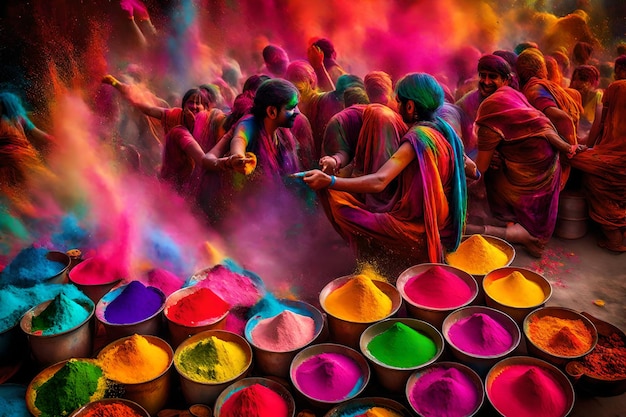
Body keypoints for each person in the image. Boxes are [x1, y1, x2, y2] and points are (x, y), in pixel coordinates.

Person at [301, 73, 467, 275]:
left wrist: (330, 181)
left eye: (398, 102)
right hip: (444, 221)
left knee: (342, 204)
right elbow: (472, 170)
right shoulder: (445, 130)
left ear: (410, 107)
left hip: (417, 227)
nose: (395, 107)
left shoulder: (418, 137)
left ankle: (381, 256)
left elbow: (380, 181)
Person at [468, 56, 583, 257]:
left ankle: (512, 229)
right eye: (483, 76)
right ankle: (514, 224)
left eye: (492, 76)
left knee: (476, 180)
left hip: (531, 181)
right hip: (548, 174)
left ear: (505, 79)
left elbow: (480, 169)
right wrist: (566, 148)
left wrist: (453, 174)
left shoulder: (490, 108)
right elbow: (543, 127)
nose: (486, 81)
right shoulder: (514, 94)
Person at [568, 55, 626, 252]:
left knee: (575, 161)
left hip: (615, 159)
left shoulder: (615, 89)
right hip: (613, 154)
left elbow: (599, 125)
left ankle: (615, 240)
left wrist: (580, 147)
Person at [516, 48, 583, 189]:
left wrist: (569, 157)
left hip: (552, 164)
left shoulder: (534, 91)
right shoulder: (545, 87)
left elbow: (562, 119)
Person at [569, 65, 603, 143]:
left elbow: (598, 125)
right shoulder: (568, 95)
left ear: (593, 82)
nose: (577, 83)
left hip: (590, 140)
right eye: (574, 79)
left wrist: (587, 143)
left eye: (583, 79)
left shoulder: (598, 97)